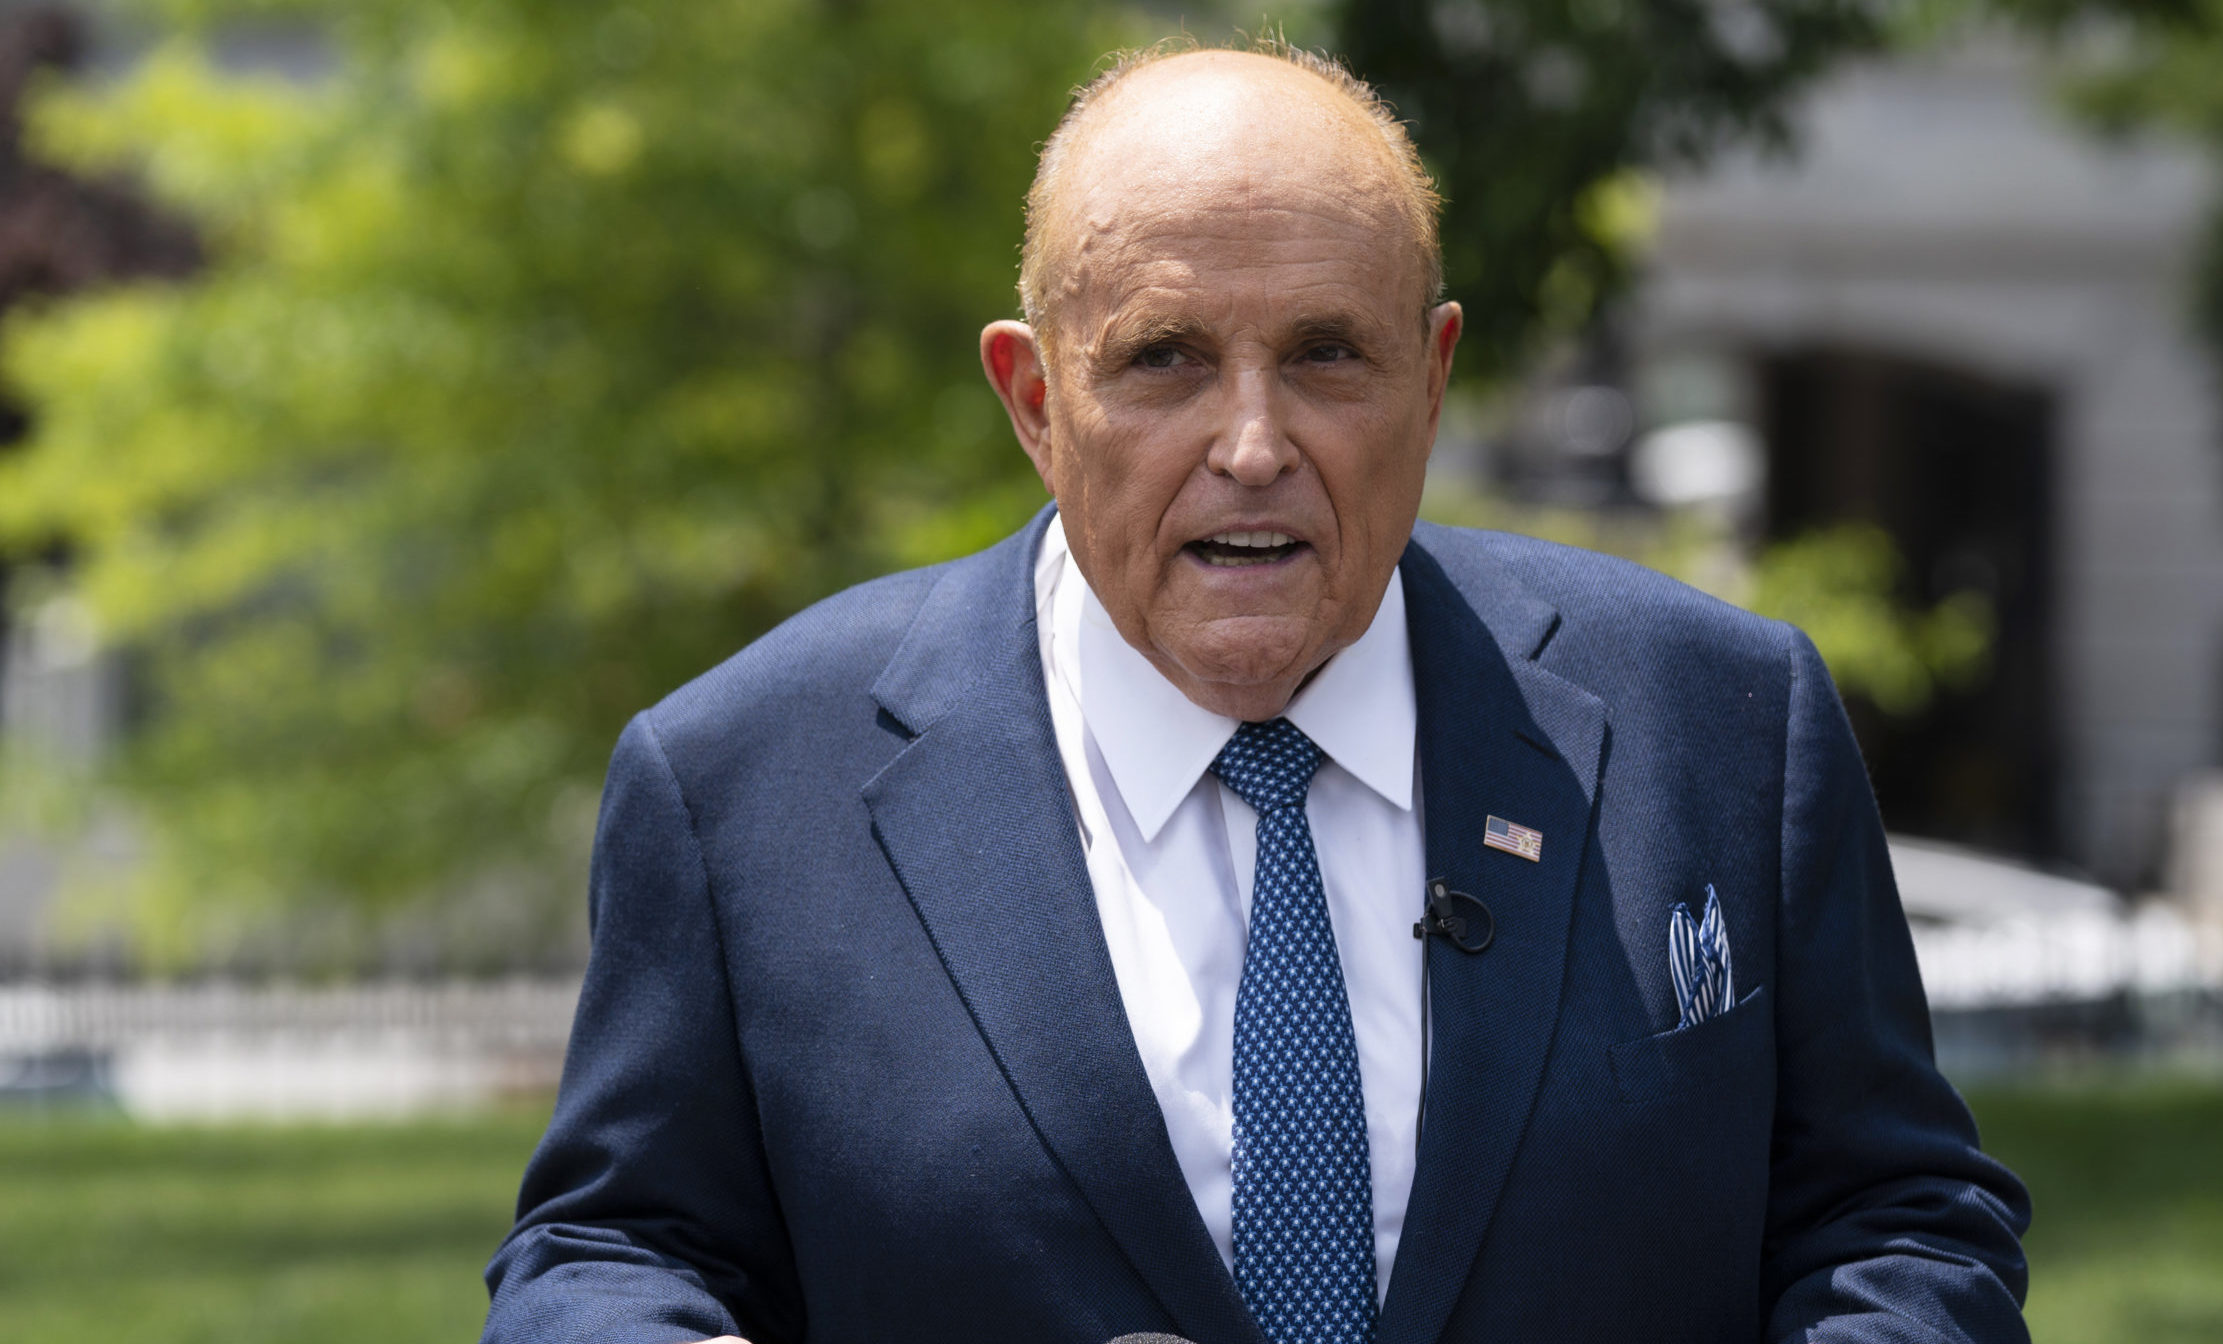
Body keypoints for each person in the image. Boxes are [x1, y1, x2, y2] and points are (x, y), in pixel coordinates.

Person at [482, 39, 2029, 1344]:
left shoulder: (1724, 723)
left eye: (1324, 356)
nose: (1250, 443)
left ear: (1430, 383)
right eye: (1162, 359)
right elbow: (611, 1258)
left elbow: (1895, 1220)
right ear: (1036, 398)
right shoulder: (742, 786)